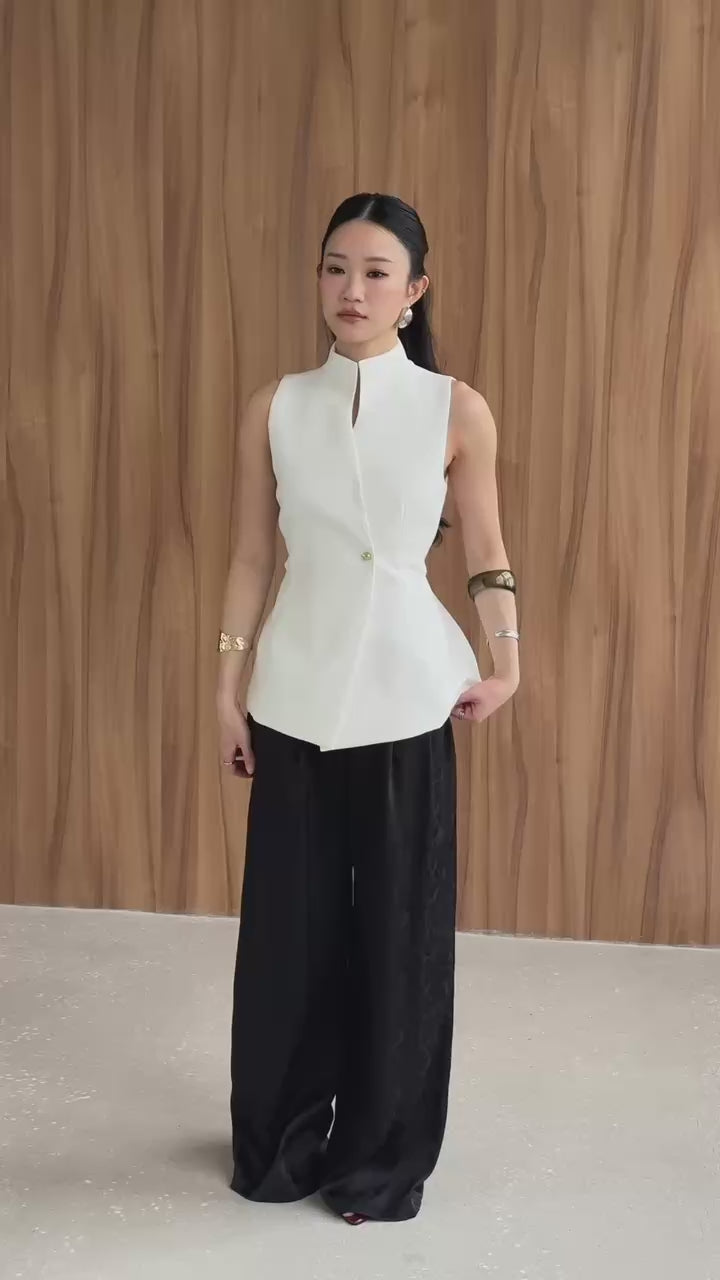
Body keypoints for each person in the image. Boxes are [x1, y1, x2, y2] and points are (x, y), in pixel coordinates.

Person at [216, 192, 520, 1225]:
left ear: (414, 290)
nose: (351, 289)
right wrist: (225, 692)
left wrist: (507, 662)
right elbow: (251, 557)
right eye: (335, 267)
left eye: (376, 272)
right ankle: (280, 1141)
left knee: (398, 939)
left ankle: (381, 1162)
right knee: (288, 938)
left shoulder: (454, 408)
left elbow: (486, 550)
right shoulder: (275, 405)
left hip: (408, 696)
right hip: (293, 694)